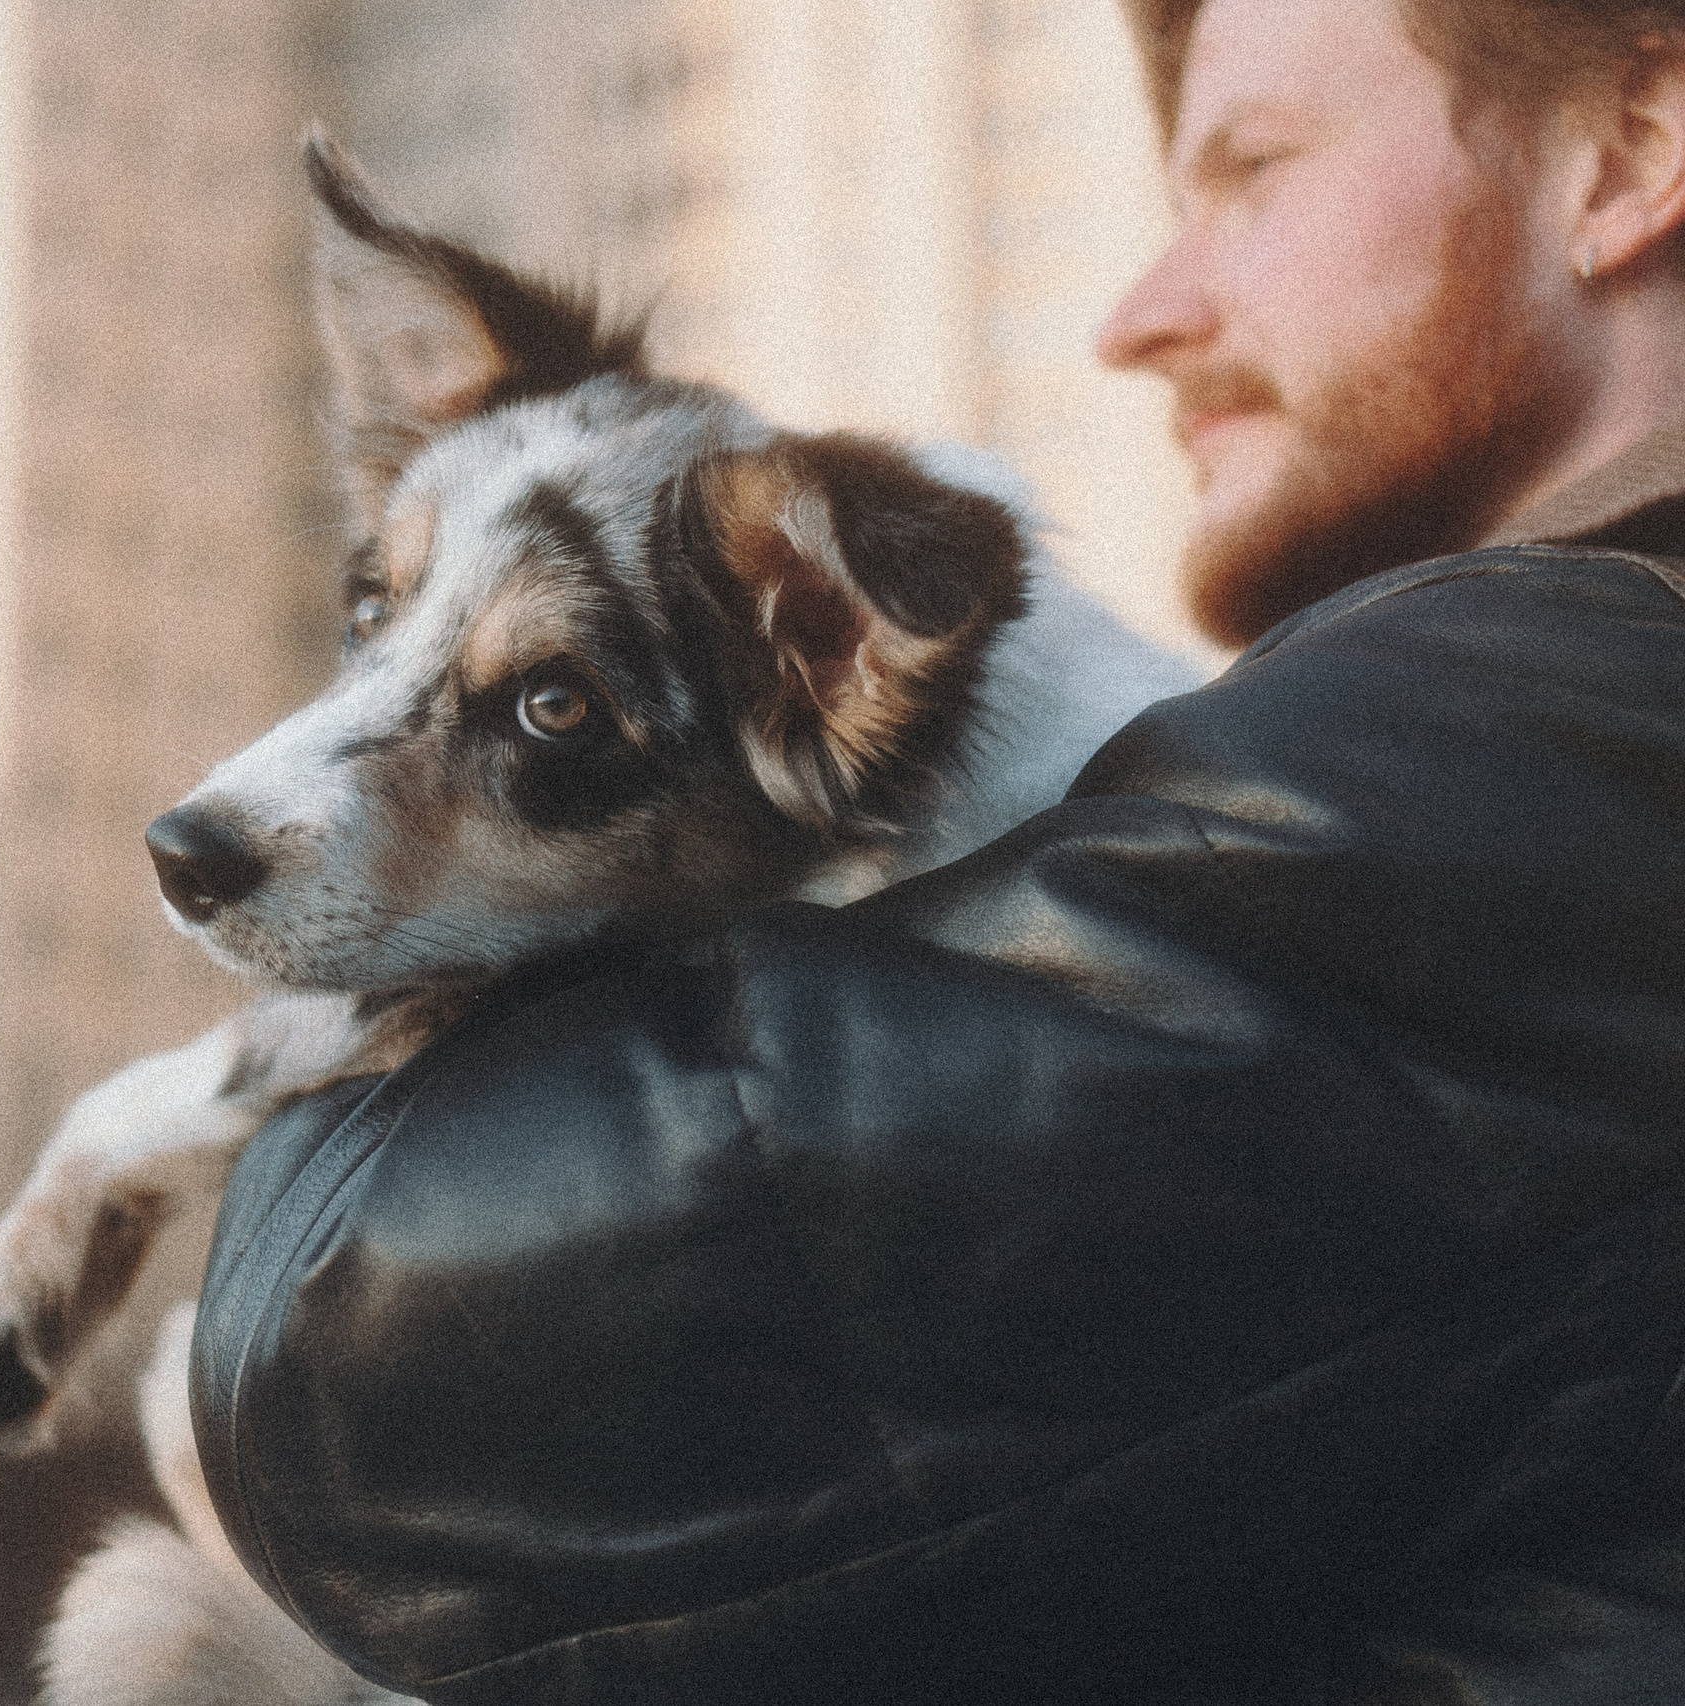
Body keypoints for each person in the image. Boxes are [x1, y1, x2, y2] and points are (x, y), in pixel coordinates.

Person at [186, 1, 1685, 1703]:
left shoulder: (1566, 748)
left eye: (1252, 174)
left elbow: (374, 1370)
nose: (1139, 314)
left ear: (1634, 148)